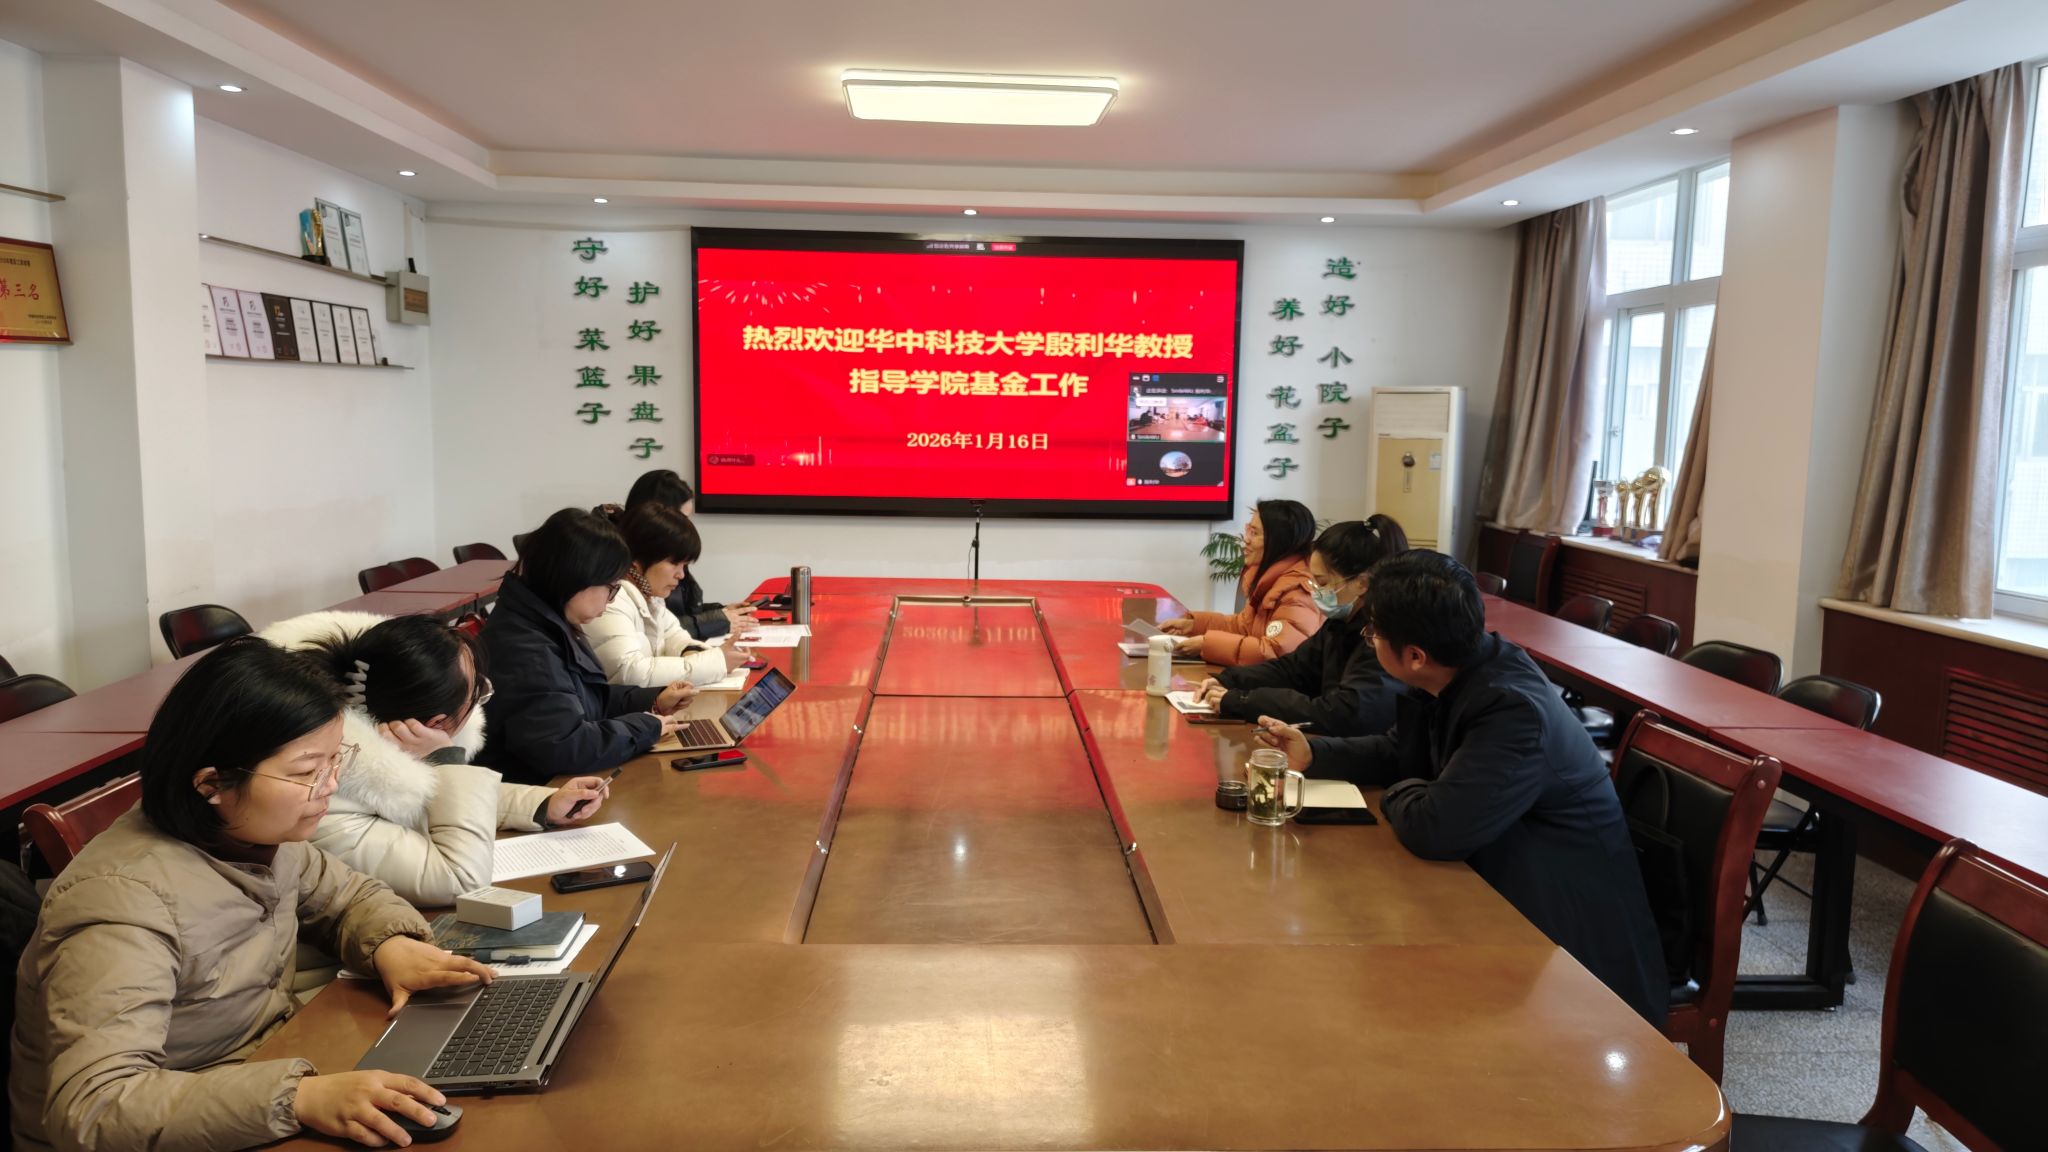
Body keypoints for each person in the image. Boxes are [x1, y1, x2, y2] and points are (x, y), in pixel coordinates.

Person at [10, 637, 495, 1152]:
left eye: (336, 761)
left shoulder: (255, 835)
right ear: (211, 784)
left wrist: (389, 945)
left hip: (252, 1078)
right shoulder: (121, 904)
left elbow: (347, 897)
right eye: (307, 772)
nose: (330, 786)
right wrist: (297, 1098)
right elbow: (96, 1107)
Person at [1254, 550, 1668, 1028]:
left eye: (1373, 634)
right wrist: (1314, 753)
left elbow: (1437, 829)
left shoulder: (1513, 710)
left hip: (1568, 950)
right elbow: (1399, 750)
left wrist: (1402, 790)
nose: (1370, 641)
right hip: (1497, 890)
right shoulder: (1456, 667)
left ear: (1414, 656)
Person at [258, 611, 613, 907]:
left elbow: (433, 796)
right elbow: (459, 879)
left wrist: (542, 804)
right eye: (476, 694)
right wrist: (446, 759)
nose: (478, 705)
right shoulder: (328, 790)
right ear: (434, 725)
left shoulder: (379, 752)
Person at [477, 508, 697, 784]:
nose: (610, 599)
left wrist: (653, 700)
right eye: (610, 587)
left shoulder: (547, 622)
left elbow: (586, 699)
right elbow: (565, 745)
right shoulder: (525, 648)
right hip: (537, 792)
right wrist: (645, 727)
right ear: (577, 578)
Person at [1190, 514, 1407, 734]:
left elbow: (1343, 713)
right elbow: (1293, 668)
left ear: (1362, 583)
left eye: (1322, 582)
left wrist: (1244, 701)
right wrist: (1229, 680)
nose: (1316, 591)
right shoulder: (1339, 624)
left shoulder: (1380, 638)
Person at [584, 503, 749, 688]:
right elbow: (628, 673)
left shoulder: (650, 596)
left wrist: (700, 654)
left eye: (684, 565)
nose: (681, 575)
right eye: (674, 563)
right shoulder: (611, 599)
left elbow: (675, 637)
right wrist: (716, 663)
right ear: (638, 559)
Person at [1158, 499, 1320, 666]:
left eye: (1254, 533)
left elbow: (1276, 652)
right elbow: (1243, 626)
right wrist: (1194, 626)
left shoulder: (1297, 593)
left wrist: (1207, 644)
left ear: (1279, 541)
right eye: (1248, 530)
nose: (1246, 540)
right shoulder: (1271, 581)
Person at [609, 469, 755, 640]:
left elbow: (675, 616)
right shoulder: (616, 589)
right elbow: (660, 629)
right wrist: (717, 620)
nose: (680, 574)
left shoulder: (661, 568)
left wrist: (720, 612)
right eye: (682, 518)